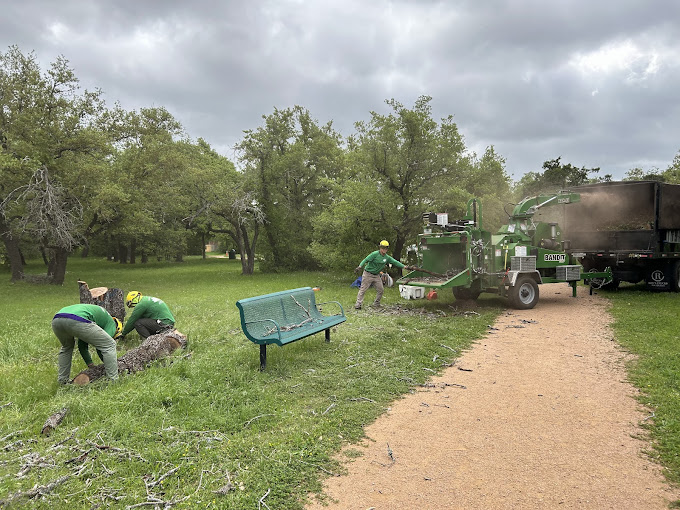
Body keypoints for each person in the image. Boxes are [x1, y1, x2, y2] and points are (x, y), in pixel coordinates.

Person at [52, 304, 122, 384]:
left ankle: (62, 381)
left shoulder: (100, 318)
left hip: (57, 319)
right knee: (109, 344)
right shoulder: (112, 323)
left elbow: (82, 346)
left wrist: (90, 364)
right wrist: (108, 365)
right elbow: (102, 347)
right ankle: (114, 381)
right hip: (78, 318)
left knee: (67, 347)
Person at [354, 240, 415, 309]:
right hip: (368, 274)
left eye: (386, 248)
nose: (384, 249)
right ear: (380, 248)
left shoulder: (387, 257)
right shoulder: (374, 254)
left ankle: (376, 303)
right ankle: (358, 304)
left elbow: (395, 262)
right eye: (383, 247)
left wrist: (405, 267)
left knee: (381, 290)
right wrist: (359, 266)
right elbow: (365, 260)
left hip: (376, 275)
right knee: (363, 289)